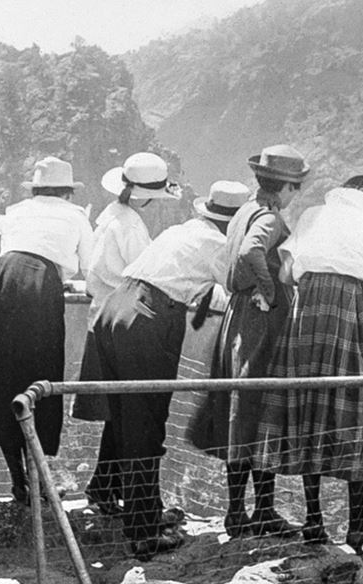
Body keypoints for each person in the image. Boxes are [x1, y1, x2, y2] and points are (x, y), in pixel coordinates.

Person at [72, 180, 246, 554]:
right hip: (150, 317)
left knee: (123, 414)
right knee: (146, 423)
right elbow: (234, 286)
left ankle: (127, 501)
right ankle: (142, 531)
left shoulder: (179, 231)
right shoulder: (218, 246)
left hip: (116, 306)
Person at [0, 156, 94, 503]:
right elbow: (90, 270)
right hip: (37, 288)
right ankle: (37, 479)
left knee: (2, 375)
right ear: (68, 192)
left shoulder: (16, 212)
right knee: (36, 378)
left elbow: (15, 253)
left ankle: (20, 479)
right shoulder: (75, 218)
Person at [278, 172, 363, 549]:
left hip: (308, 315)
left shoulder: (313, 216)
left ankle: (313, 520)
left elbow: (287, 273)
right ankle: (356, 524)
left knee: (310, 408)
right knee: (354, 407)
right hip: (350, 315)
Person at [187, 142, 305, 537]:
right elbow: (254, 252)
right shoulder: (269, 219)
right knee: (260, 406)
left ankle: (238, 509)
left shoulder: (242, 211)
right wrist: (271, 291)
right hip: (259, 322)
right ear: (285, 188)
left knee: (239, 408)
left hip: (238, 317)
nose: (296, 195)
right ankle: (262, 510)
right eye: (295, 188)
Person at [86, 151, 192, 321]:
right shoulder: (130, 226)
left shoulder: (113, 213)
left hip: (100, 314)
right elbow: (147, 275)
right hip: (123, 320)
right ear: (146, 198)